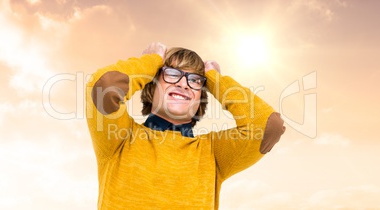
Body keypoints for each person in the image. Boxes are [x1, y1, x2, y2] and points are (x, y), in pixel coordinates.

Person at [86, 42, 285, 209]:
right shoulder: (120, 138)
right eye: (171, 74)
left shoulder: (212, 153)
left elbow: (268, 125)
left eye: (195, 80)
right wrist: (152, 61)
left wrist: (215, 79)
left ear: (201, 97)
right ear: (151, 84)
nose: (183, 84)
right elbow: (105, 85)